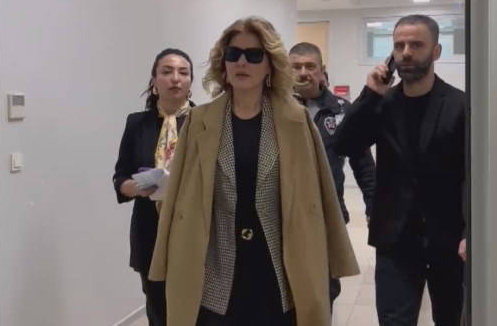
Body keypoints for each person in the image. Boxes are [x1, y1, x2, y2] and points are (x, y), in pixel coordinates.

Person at [149, 16, 359, 326]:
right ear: (223, 63)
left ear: (269, 65)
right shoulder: (200, 121)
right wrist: (164, 258)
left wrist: (334, 257)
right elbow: (176, 195)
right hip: (216, 270)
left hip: (277, 269)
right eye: (233, 54)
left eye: (254, 54)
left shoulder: (296, 120)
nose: (242, 62)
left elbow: (321, 196)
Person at [335, 14, 467, 326]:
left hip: (447, 239)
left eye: (416, 45)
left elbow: (471, 176)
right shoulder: (382, 103)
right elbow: (343, 143)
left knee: (451, 319)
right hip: (395, 240)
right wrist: (370, 94)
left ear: (436, 51)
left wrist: (469, 232)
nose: (406, 52)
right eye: (399, 45)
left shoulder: (460, 105)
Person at [288, 42, 377, 309]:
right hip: (283, 214)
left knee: (325, 289)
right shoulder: (273, 107)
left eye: (310, 66)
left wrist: (373, 206)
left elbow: (363, 164)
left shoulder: (341, 110)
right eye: (296, 66)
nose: (303, 72)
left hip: (328, 215)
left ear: (321, 70)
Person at [112, 48, 195, 326]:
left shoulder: (204, 122)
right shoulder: (137, 123)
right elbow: (120, 177)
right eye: (167, 71)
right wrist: (135, 187)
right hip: (150, 228)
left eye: (183, 72)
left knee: (197, 308)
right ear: (154, 81)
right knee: (158, 308)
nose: (175, 78)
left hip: (194, 228)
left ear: (190, 82)